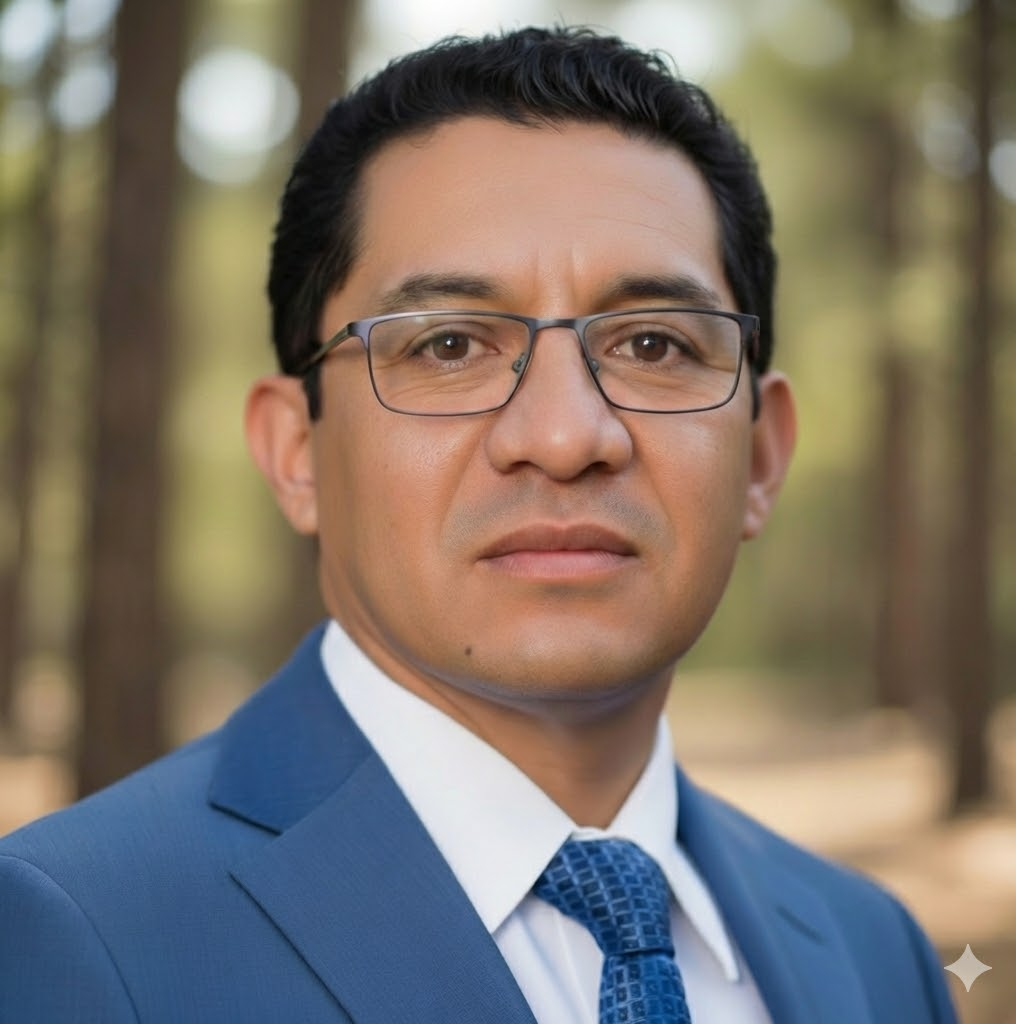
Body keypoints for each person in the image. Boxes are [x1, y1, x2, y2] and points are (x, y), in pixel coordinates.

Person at [0, 26, 956, 1024]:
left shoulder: (875, 950)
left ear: (759, 456)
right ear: (296, 453)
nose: (564, 436)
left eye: (651, 343)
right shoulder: (70, 937)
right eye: (449, 344)